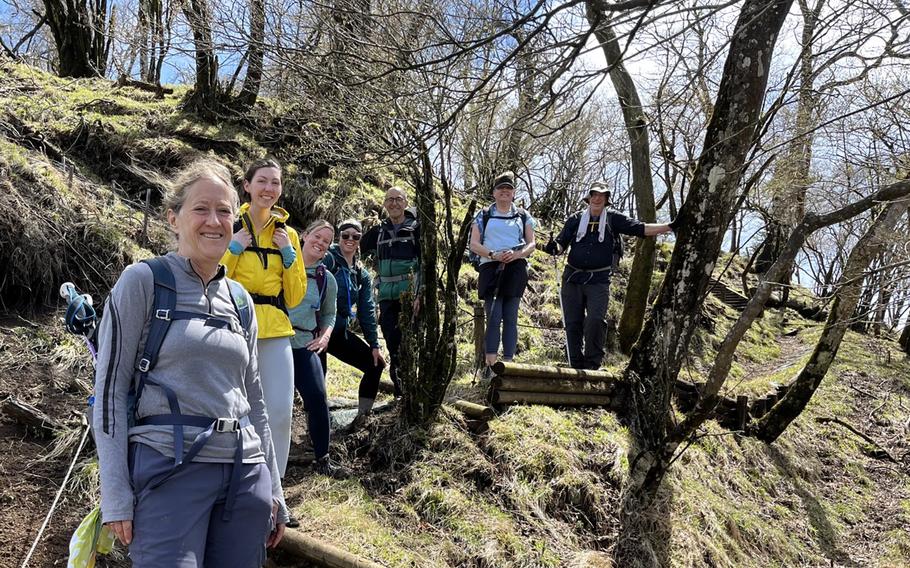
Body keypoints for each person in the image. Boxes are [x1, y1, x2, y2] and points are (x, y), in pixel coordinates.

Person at [93, 159, 287, 567]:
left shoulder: (240, 300)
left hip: (245, 473)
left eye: (224, 211)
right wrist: (115, 494)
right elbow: (109, 391)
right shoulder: (143, 282)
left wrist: (275, 490)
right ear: (173, 218)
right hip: (169, 471)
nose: (214, 221)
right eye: (201, 209)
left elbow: (255, 401)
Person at [221, 158, 306, 480]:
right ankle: (231, 481)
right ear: (247, 186)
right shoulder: (230, 224)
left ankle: (273, 488)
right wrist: (233, 249)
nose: (269, 189)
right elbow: (211, 279)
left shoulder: (290, 235)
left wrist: (289, 257)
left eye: (275, 183)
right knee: (230, 409)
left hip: (274, 329)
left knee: (280, 412)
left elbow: (295, 296)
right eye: (262, 181)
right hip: (232, 326)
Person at [542, 181, 674, 370]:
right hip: (572, 278)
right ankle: (574, 363)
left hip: (599, 280)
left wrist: (669, 226)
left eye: (601, 196)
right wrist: (554, 247)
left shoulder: (613, 219)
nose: (597, 198)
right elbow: (562, 243)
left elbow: (641, 228)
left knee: (595, 320)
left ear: (606, 200)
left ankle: (592, 365)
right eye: (594, 195)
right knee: (572, 322)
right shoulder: (575, 219)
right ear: (588, 198)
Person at [287, 220, 350, 478]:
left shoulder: (327, 280)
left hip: (305, 344)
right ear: (304, 235)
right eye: (317, 236)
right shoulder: (282, 265)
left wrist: (324, 338)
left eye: (326, 241)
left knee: (317, 397)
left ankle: (323, 460)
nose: (321, 242)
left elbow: (329, 314)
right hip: (273, 341)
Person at [468, 171, 537, 377]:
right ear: (494, 192)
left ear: (514, 193)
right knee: (494, 316)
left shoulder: (523, 215)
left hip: (515, 269)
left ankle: (507, 366)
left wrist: (516, 255)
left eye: (508, 189)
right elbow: (474, 244)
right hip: (490, 267)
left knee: (511, 317)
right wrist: (493, 254)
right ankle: (490, 366)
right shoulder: (483, 215)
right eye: (501, 188)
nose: (504, 192)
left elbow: (531, 243)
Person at [321, 219, 386, 430]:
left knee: (375, 365)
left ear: (360, 240)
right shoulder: (328, 259)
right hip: (315, 331)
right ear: (338, 237)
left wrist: (374, 345)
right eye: (345, 235)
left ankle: (361, 418)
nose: (350, 240)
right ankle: (316, 428)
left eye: (355, 236)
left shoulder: (361, 273)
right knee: (316, 380)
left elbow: (367, 309)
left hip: (339, 332)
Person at [360, 186, 420, 398]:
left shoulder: (416, 229)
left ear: (405, 202)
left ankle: (413, 392)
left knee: (411, 345)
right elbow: (352, 245)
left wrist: (419, 294)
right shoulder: (379, 231)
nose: (394, 203)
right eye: (390, 200)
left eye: (398, 199)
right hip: (386, 297)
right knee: (393, 344)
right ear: (384, 204)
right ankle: (401, 393)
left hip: (410, 297)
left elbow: (425, 264)